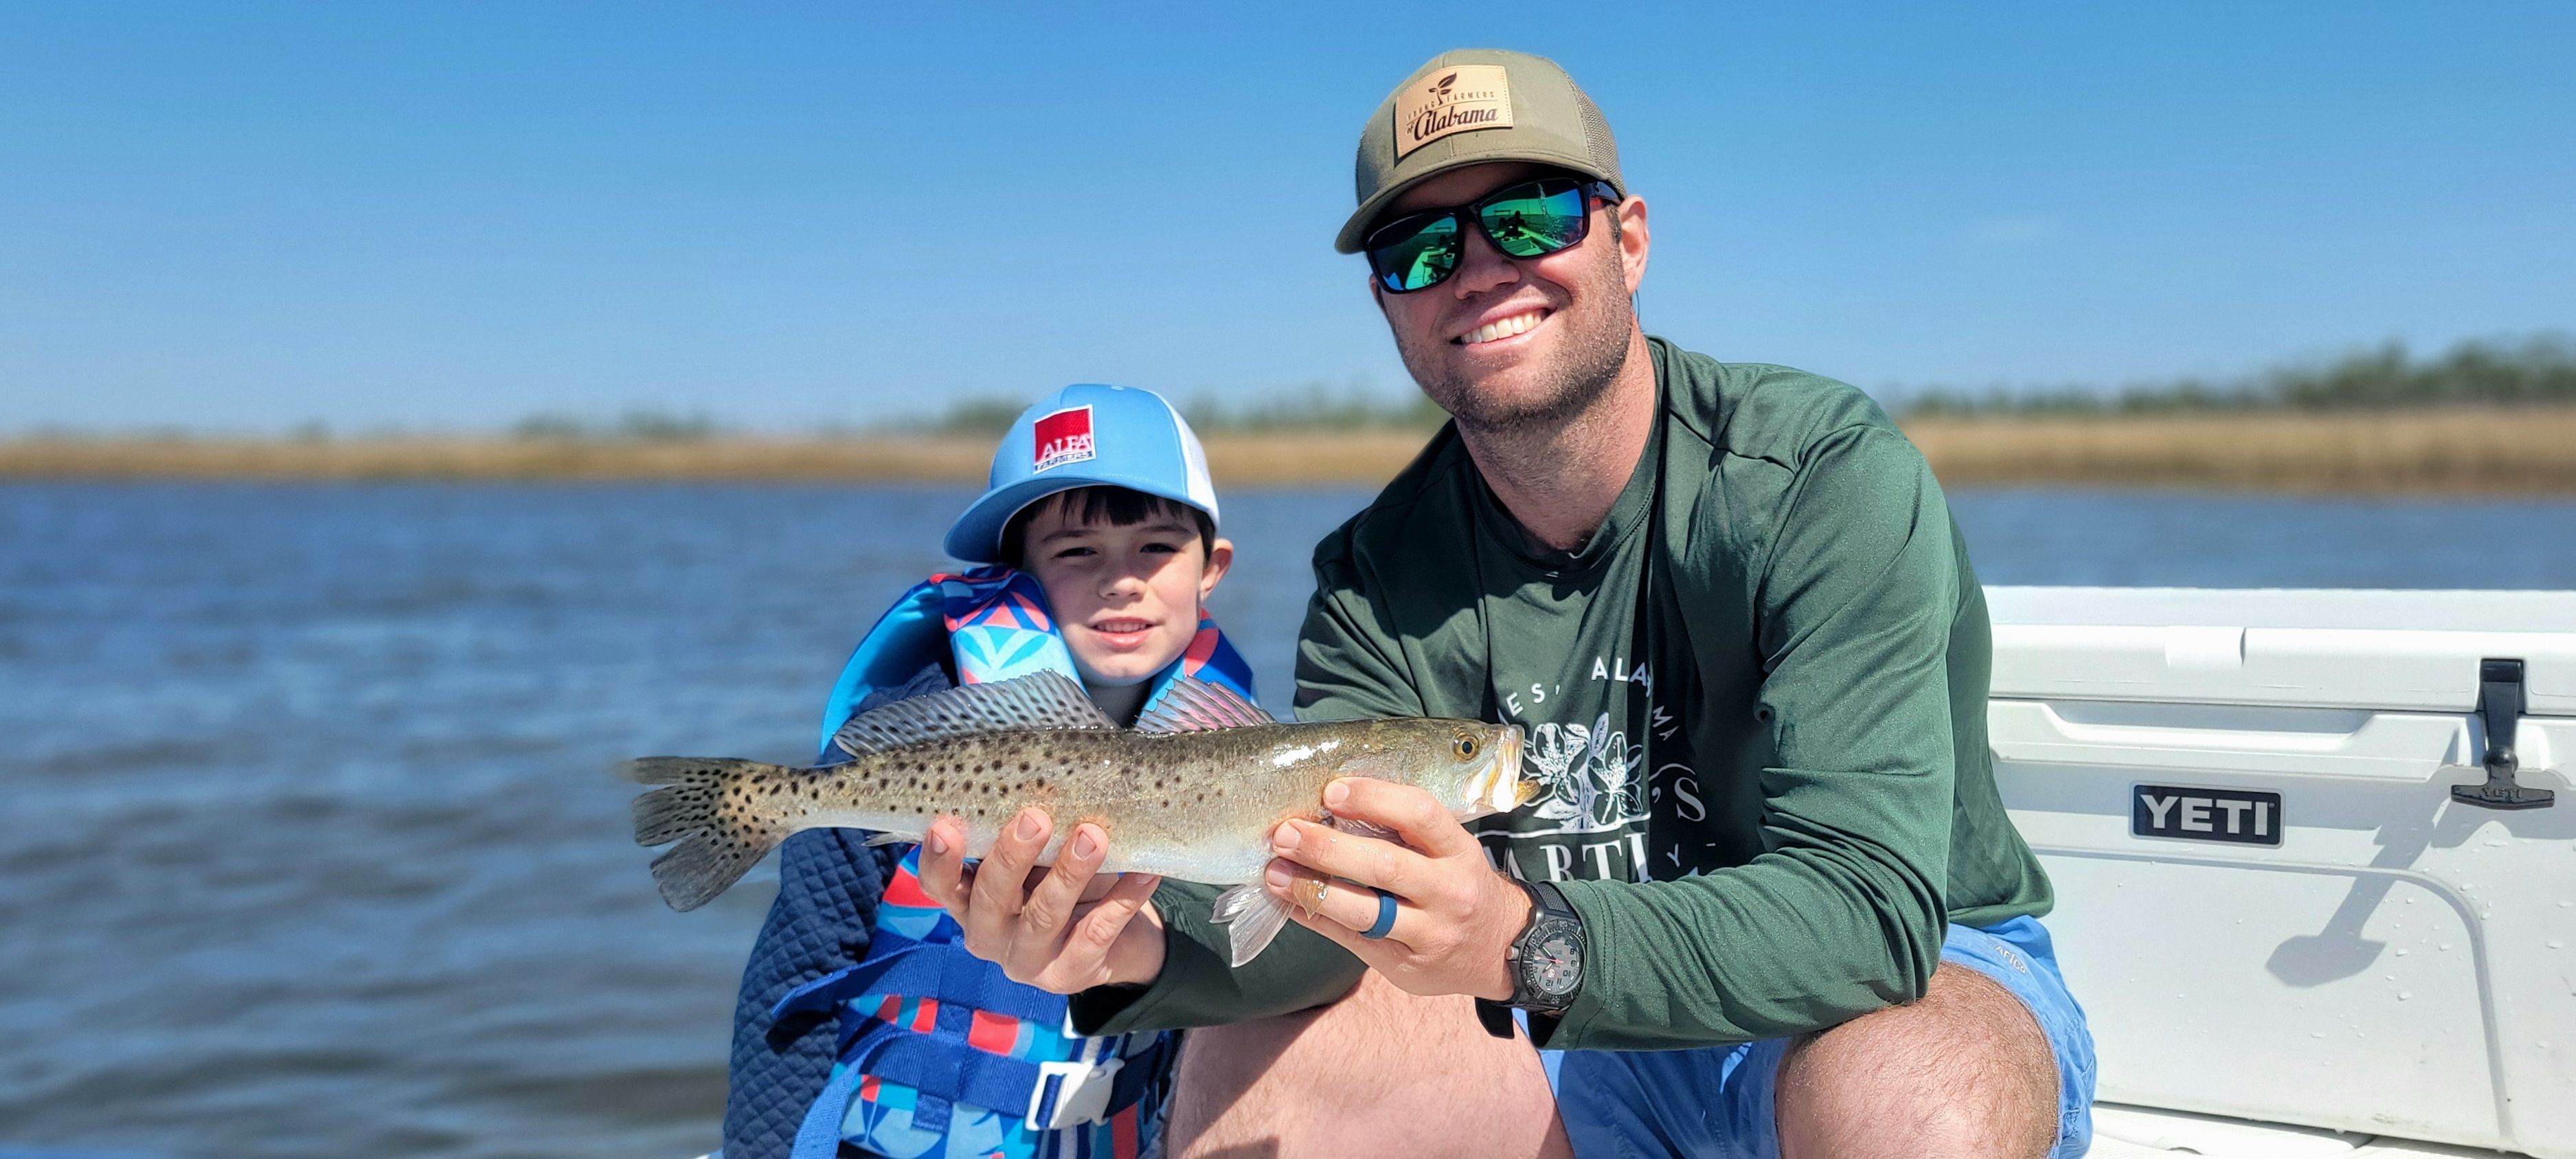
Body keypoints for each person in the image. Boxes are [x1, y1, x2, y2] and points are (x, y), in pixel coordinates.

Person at [912, 49, 2099, 1159]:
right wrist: (1126, 946)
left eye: (1531, 215)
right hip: (1544, 1025)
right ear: (1388, 304)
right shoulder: (1373, 579)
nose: (1478, 267)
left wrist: (1524, 937)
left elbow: (1868, 914)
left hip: (1870, 989)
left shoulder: (1819, 480)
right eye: (1419, 248)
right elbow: (1315, 928)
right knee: (1256, 1073)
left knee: (1913, 1099)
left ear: (1629, 240)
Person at [724, 383, 1256, 1159]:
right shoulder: (919, 725)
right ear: (1021, 573)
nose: (1121, 580)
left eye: (1156, 547)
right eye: (1077, 551)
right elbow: (797, 972)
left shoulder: (1244, 751)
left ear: (1213, 567)